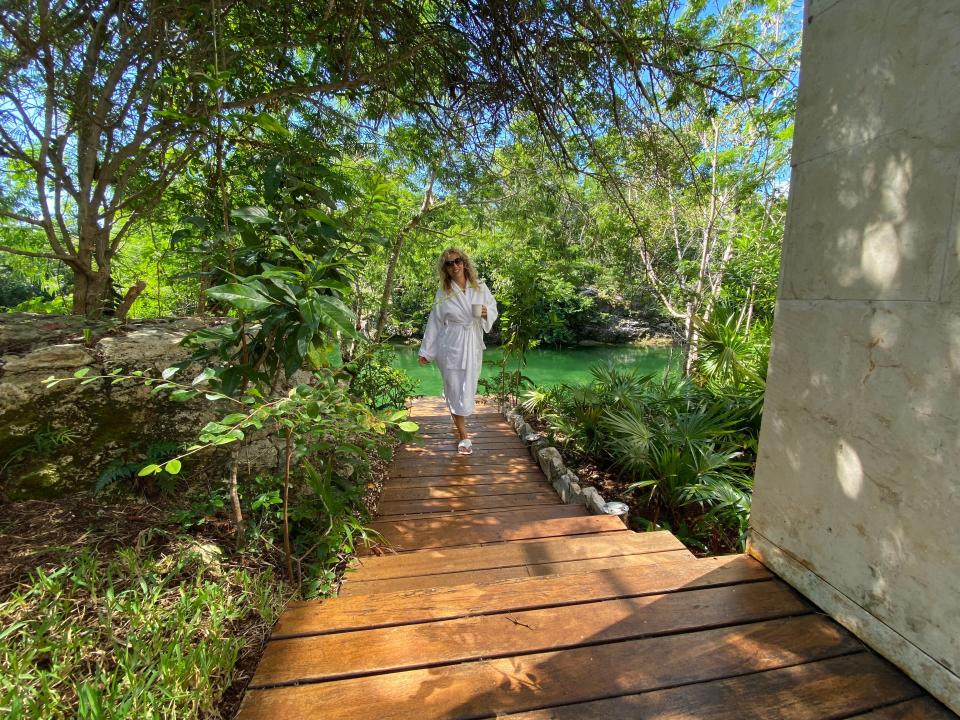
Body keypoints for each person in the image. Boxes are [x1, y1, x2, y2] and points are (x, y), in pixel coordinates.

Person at [418, 248, 498, 455]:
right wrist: (426, 351)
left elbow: (493, 310)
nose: (454, 266)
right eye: (449, 263)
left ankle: (461, 423)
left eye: (457, 261)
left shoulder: (480, 288)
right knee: (454, 388)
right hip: (450, 344)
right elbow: (434, 322)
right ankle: (464, 436)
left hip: (471, 343)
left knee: (467, 387)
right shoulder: (443, 293)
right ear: (444, 269)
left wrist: (485, 313)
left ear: (464, 263)